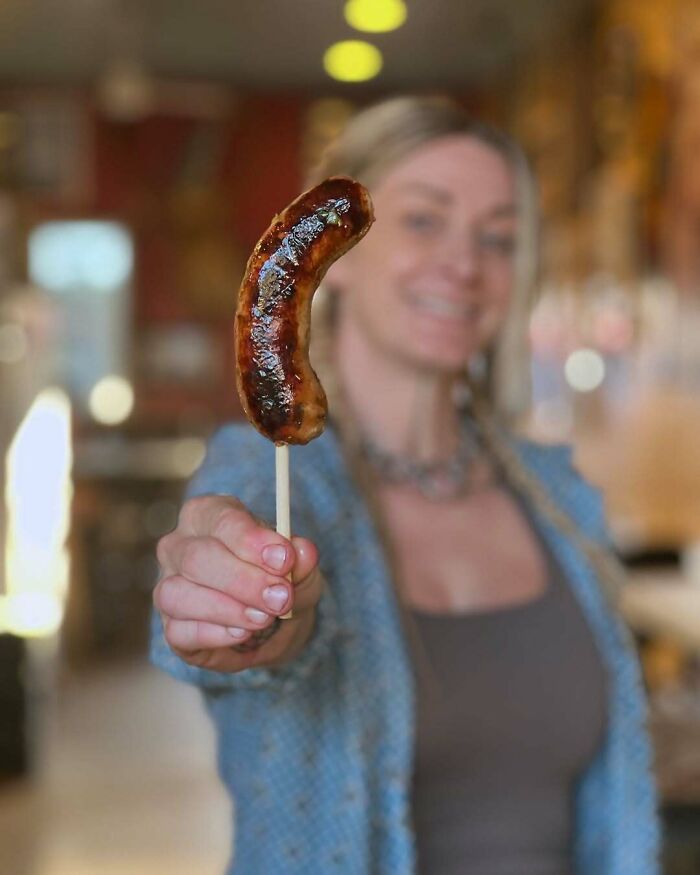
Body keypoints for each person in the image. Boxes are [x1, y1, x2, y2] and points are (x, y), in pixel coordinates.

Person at [151, 96, 660, 875]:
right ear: (342, 259)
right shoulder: (265, 472)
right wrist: (243, 607)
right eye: (424, 220)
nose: (465, 262)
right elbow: (245, 607)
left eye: (498, 237)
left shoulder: (558, 493)